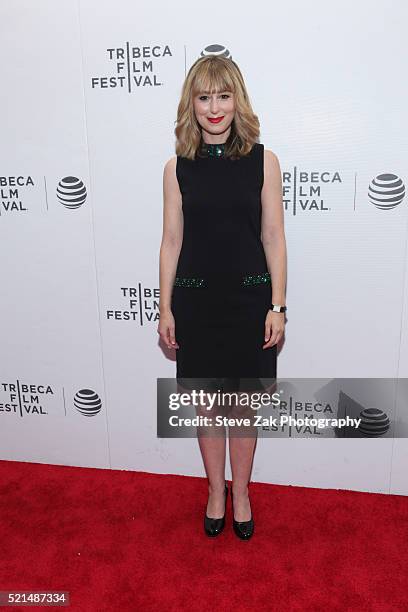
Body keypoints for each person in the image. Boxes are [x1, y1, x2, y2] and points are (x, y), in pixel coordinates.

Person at [158, 55, 287, 540]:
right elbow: (171, 241)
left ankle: (243, 493)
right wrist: (165, 306)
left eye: (224, 96)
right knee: (208, 407)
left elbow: (273, 236)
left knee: (244, 406)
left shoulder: (264, 161)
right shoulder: (177, 169)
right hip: (196, 304)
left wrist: (278, 305)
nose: (215, 108)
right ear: (191, 104)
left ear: (239, 101)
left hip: (250, 304)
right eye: (204, 96)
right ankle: (215, 491)